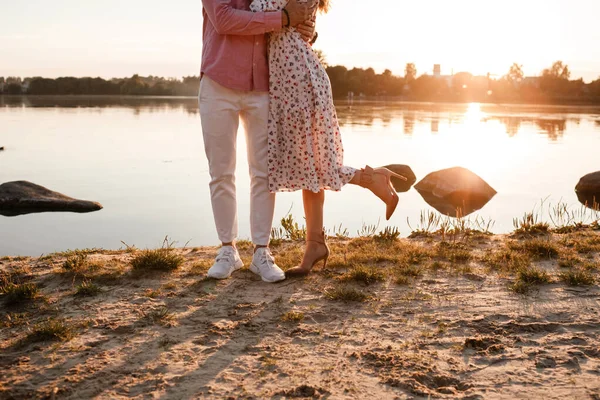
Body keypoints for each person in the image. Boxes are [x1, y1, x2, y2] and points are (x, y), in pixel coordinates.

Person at [249, 0, 407, 276]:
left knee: (313, 166)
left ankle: (370, 180)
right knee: (311, 167)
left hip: (299, 81)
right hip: (296, 79)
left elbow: (256, 10)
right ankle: (315, 244)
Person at [200, 0, 319, 283]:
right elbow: (224, 19)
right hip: (218, 82)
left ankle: (261, 252)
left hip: (266, 84)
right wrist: (284, 18)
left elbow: (295, 20)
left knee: (264, 172)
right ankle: (227, 250)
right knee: (221, 171)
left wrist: (305, 28)